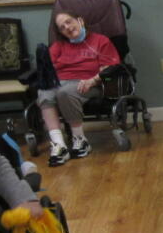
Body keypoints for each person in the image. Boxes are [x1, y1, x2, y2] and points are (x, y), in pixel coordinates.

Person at [41, 11, 119, 167]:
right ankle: (59, 145)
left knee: (65, 92)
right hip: (60, 81)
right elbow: (48, 67)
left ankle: (80, 140)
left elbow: (110, 67)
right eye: (62, 27)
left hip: (88, 82)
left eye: (68, 22)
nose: (67, 27)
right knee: (44, 93)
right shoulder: (59, 46)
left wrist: (93, 80)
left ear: (80, 20)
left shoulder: (100, 41)